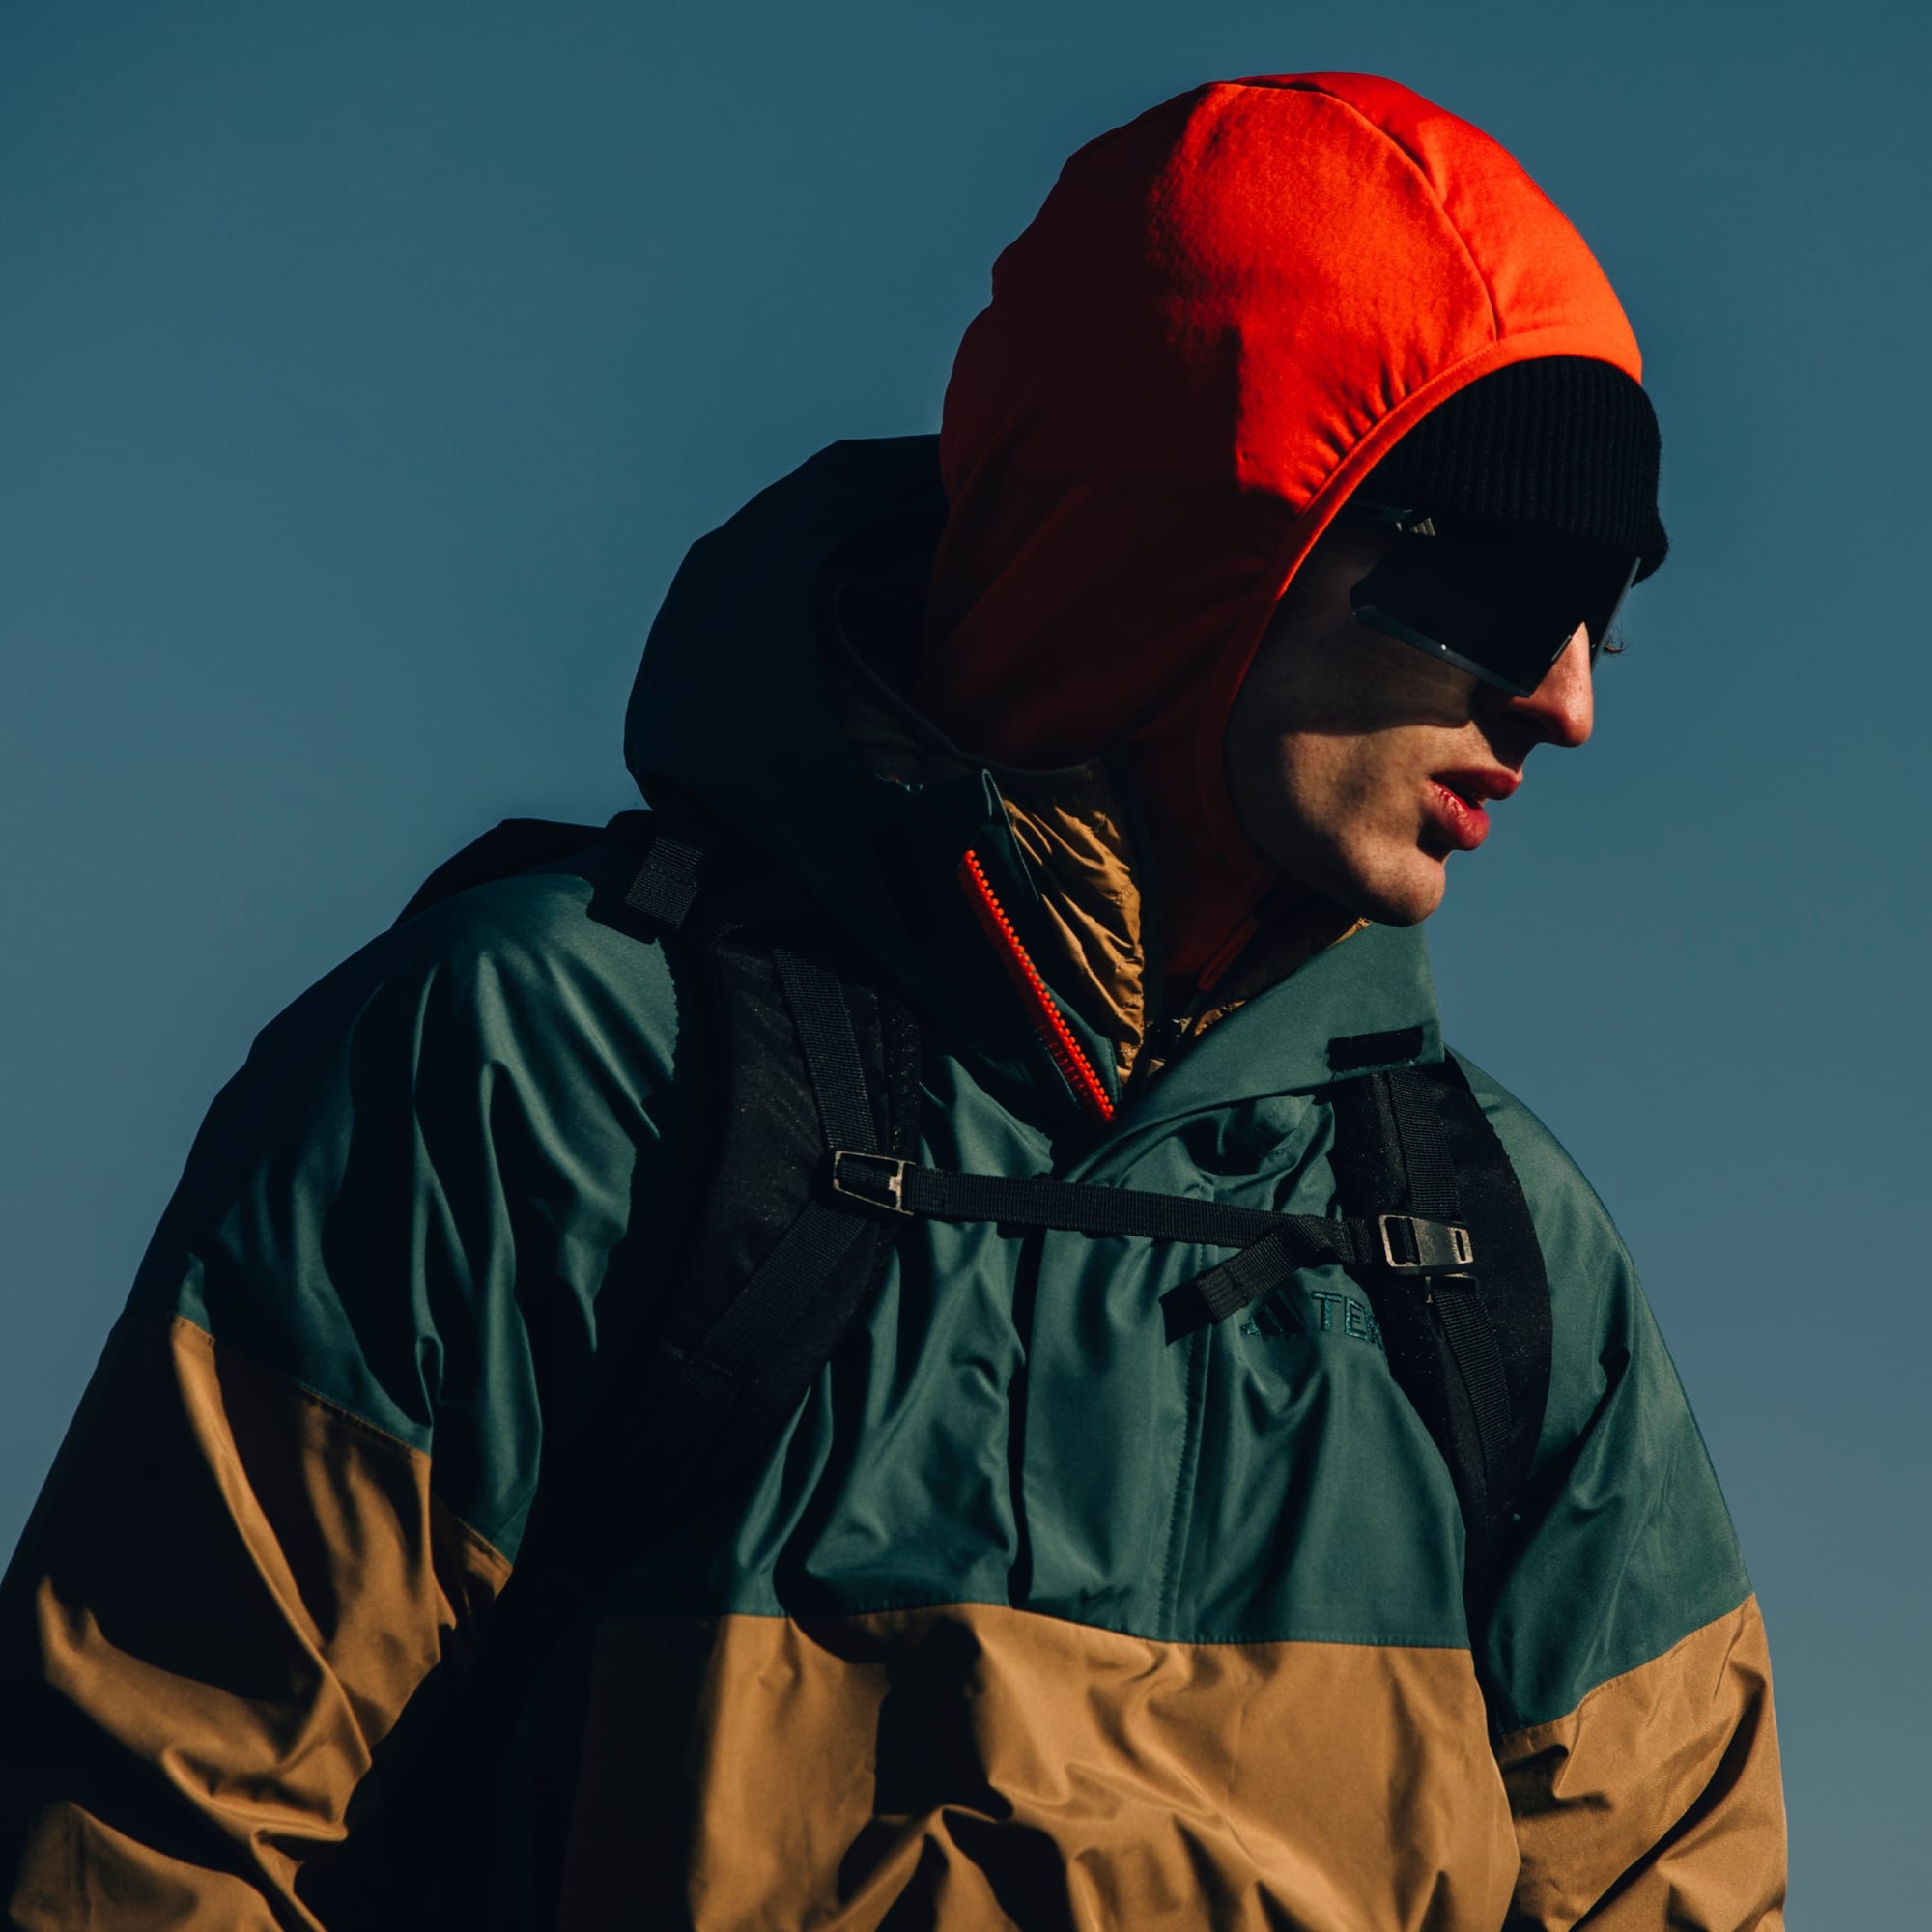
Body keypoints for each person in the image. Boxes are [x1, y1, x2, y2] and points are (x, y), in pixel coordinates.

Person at [0, 72, 1785, 1931]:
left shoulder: (1496, 1247)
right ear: (1194, 534)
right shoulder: (543, 1069)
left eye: (1604, 608)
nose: (1567, 700)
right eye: (1499, 586)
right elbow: (143, 1833)